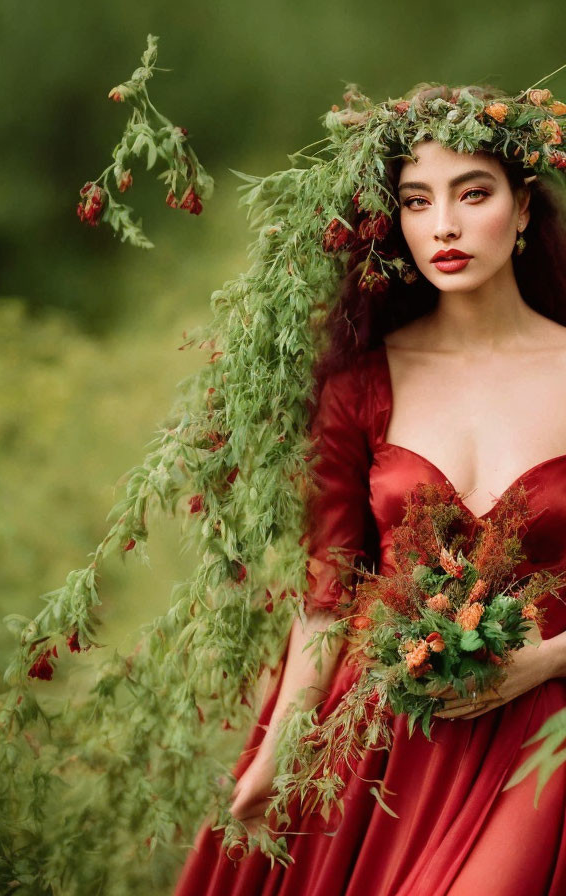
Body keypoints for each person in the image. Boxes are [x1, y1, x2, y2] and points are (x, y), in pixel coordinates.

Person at [174, 84, 566, 895]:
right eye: (417, 201)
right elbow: (330, 596)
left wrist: (543, 663)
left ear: (524, 207)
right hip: (383, 736)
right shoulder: (359, 384)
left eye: (474, 194)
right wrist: (278, 754)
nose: (444, 227)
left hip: (549, 733)